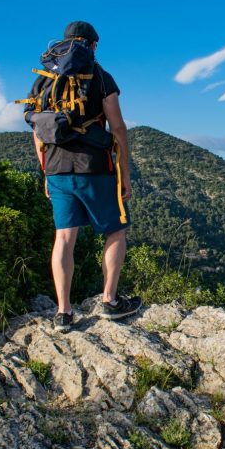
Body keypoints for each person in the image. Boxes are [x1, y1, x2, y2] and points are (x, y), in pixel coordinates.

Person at [32, 21, 140, 331]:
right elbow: (117, 127)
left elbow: (39, 131)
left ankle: (63, 313)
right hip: (94, 168)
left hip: (55, 168)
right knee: (115, 231)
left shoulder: (45, 79)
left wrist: (45, 171)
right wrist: (125, 174)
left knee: (64, 237)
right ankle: (110, 300)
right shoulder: (101, 77)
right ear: (92, 45)